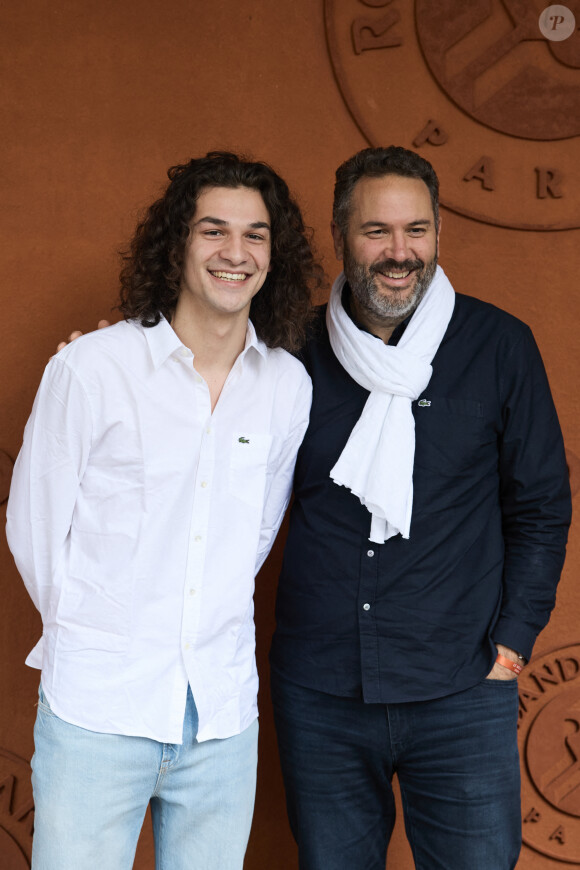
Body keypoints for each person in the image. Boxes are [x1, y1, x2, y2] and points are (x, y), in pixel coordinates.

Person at [6, 151, 322, 870]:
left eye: (255, 234)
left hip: (221, 716)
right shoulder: (91, 369)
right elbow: (33, 528)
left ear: (275, 253)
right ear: (177, 243)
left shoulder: (286, 386)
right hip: (98, 711)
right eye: (213, 231)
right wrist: (96, 637)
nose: (234, 253)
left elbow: (256, 534)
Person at [269, 146, 572, 870]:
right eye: (377, 231)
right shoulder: (291, 351)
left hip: (462, 687)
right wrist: (100, 359)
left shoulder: (499, 346)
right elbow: (197, 432)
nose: (399, 252)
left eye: (417, 230)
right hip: (321, 691)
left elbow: (541, 504)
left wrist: (513, 643)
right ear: (342, 236)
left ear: (439, 234)